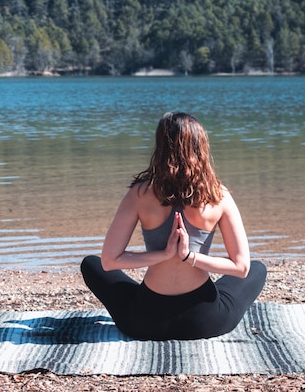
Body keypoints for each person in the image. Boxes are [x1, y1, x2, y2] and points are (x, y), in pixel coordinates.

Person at [81, 112, 267, 340]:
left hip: (146, 321)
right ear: (201, 147)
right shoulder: (219, 195)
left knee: (91, 264)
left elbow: (110, 262)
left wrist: (163, 255)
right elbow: (241, 268)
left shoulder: (139, 193)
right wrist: (190, 257)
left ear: (160, 146)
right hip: (205, 320)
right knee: (257, 268)